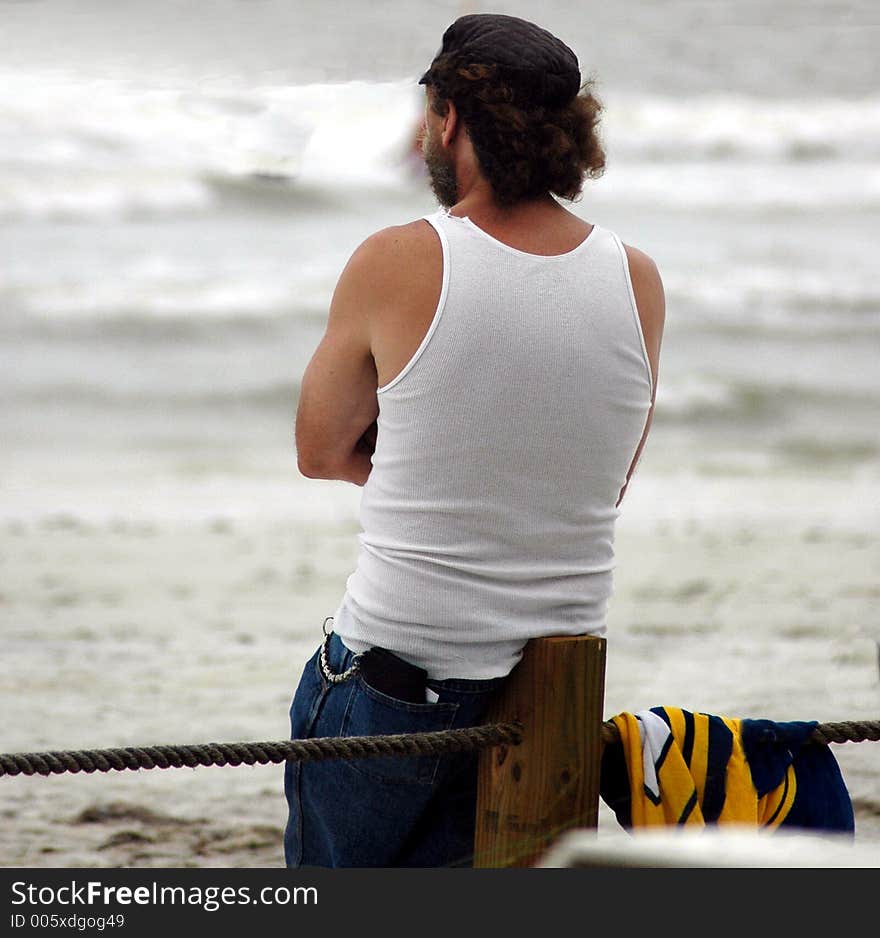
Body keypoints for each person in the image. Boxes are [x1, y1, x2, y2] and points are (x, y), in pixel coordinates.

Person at [285, 12, 665, 868]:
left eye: (429, 111)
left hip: (398, 676)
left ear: (451, 120)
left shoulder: (397, 258)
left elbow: (319, 449)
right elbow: (600, 480)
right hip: (556, 686)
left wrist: (424, 462)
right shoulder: (635, 275)